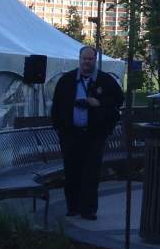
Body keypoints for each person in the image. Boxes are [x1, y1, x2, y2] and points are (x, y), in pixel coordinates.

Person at [50, 45, 124, 220]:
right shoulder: (67, 80)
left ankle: (89, 209)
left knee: (91, 173)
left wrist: (98, 103)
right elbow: (56, 106)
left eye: (90, 59)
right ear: (79, 59)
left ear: (95, 60)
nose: (87, 62)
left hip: (94, 136)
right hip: (71, 135)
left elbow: (118, 100)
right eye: (84, 59)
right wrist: (60, 130)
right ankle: (73, 206)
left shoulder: (105, 81)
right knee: (71, 171)